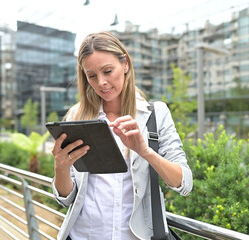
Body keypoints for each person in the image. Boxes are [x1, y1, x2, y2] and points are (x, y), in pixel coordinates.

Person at [51, 31, 193, 240]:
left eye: (108, 71)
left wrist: (144, 151)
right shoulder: (76, 115)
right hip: (83, 235)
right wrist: (60, 167)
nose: (101, 83)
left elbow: (185, 184)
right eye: (92, 76)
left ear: (125, 64)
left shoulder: (156, 114)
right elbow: (66, 198)